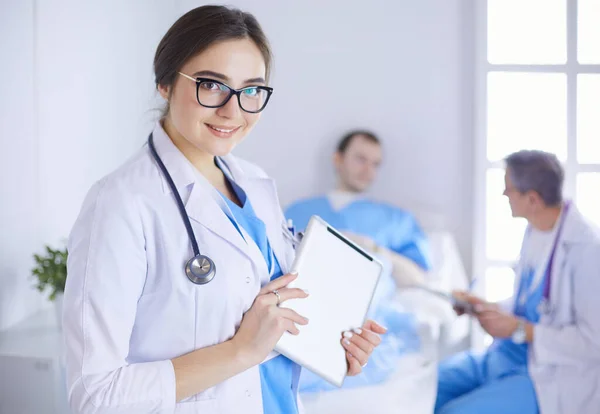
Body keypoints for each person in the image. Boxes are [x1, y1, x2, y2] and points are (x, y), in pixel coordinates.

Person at [63, 6, 385, 414]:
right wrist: (238, 352)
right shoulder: (120, 204)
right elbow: (94, 397)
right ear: (164, 83)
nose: (233, 111)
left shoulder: (254, 182)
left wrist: (333, 346)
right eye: (211, 84)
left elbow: (275, 319)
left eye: (251, 90)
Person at [435, 150, 600, 414]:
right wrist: (484, 306)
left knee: (453, 412)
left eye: (509, 188)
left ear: (532, 199)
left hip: (546, 375)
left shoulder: (588, 249)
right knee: (430, 388)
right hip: (506, 354)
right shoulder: (535, 228)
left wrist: (522, 330)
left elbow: (593, 343)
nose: (504, 194)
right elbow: (532, 301)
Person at [285, 130, 431, 391]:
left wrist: (372, 247)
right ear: (338, 159)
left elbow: (418, 278)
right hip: (308, 301)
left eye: (376, 164)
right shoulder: (299, 211)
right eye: (361, 159)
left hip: (366, 310)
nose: (368, 170)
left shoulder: (394, 220)